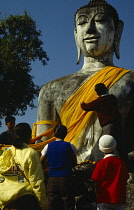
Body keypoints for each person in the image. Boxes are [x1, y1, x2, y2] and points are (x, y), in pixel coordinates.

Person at [36, 0, 134, 163]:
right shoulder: (50, 89)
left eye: (100, 20)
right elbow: (43, 145)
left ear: (117, 31)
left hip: (112, 168)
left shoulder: (129, 80)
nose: (89, 29)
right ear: (76, 34)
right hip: (67, 172)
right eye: (82, 23)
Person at [0, 123, 48, 210]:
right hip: (24, 200)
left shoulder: (6, 153)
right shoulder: (31, 153)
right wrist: (43, 205)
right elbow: (37, 182)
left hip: (6, 201)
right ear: (29, 136)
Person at [80, 83, 127, 161]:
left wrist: (82, 104)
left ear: (97, 92)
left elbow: (87, 107)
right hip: (118, 124)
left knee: (108, 146)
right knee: (120, 145)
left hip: (107, 126)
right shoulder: (113, 98)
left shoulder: (99, 101)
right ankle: (125, 163)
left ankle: (110, 163)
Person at [40, 124, 77, 210]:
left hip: (52, 179)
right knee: (68, 204)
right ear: (65, 134)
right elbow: (74, 162)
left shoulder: (48, 146)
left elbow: (40, 161)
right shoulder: (70, 146)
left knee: (53, 204)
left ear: (54, 133)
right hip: (66, 179)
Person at [91, 135, 129, 210]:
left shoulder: (101, 163)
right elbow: (126, 177)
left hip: (104, 198)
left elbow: (95, 179)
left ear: (100, 148)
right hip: (119, 198)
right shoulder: (121, 163)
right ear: (115, 146)